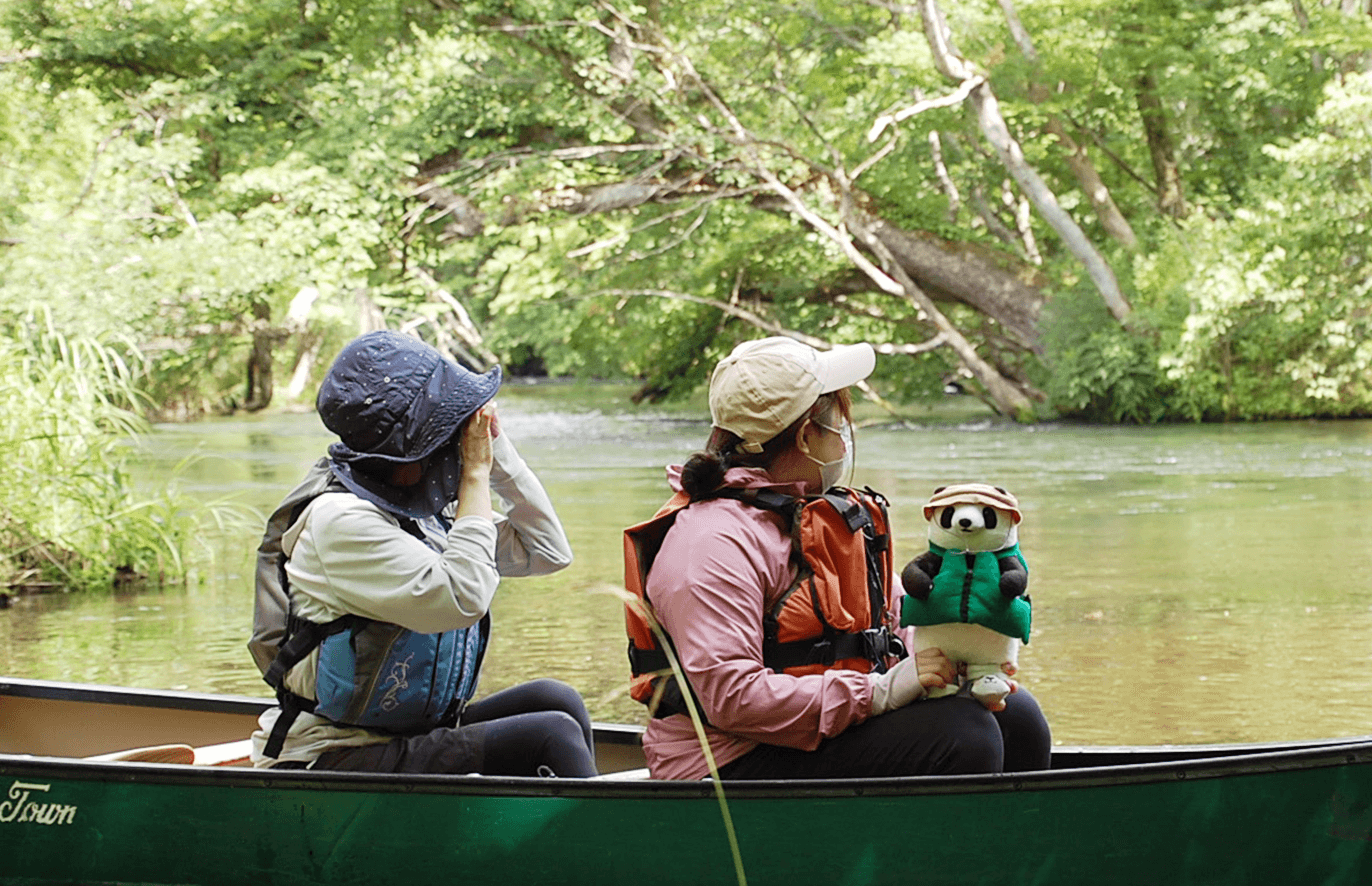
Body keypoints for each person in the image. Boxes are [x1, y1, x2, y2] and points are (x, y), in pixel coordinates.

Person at [624, 336, 1051, 780]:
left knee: (1016, 717)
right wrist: (881, 691)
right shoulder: (710, 544)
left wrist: (960, 658)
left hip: (824, 727)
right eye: (837, 421)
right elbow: (733, 699)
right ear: (807, 435)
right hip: (730, 758)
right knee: (964, 735)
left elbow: (894, 620)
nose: (846, 435)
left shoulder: (824, 516)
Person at [248, 330, 596, 777]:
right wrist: (475, 474)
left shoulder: (423, 507)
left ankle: (587, 830)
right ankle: (605, 844)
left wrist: (496, 446)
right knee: (551, 735)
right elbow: (464, 597)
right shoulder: (341, 522)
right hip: (331, 752)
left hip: (404, 735)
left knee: (557, 699)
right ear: (414, 445)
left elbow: (547, 550)